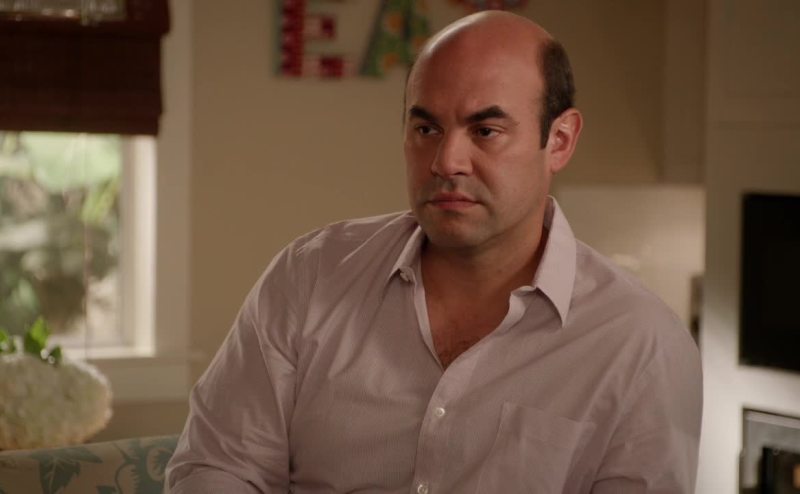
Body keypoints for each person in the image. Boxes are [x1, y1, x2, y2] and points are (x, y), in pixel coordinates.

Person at [167, 10, 702, 493]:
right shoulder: (310, 276)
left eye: (486, 130)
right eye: (426, 128)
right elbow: (219, 467)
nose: (446, 161)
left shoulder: (639, 344)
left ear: (559, 140)